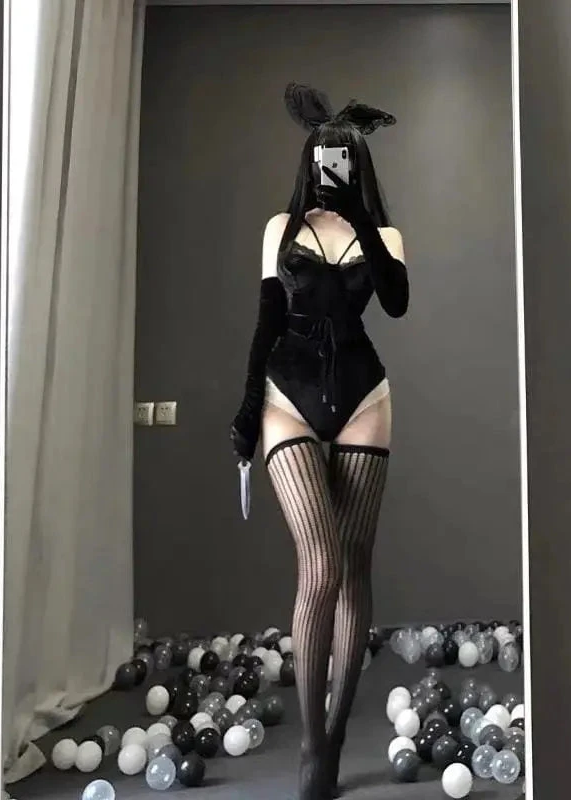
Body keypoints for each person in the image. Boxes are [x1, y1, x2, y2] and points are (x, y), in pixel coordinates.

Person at [230, 82, 409, 800]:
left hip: (364, 396)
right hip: (288, 397)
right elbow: (266, 325)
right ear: (309, 159)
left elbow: (396, 302)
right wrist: (247, 413)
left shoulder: (385, 237)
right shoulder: (280, 229)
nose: (330, 164)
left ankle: (335, 731)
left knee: (356, 567)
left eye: (343, 156)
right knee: (323, 562)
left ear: (358, 163)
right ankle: (310, 745)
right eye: (322, 155)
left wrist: (360, 217)